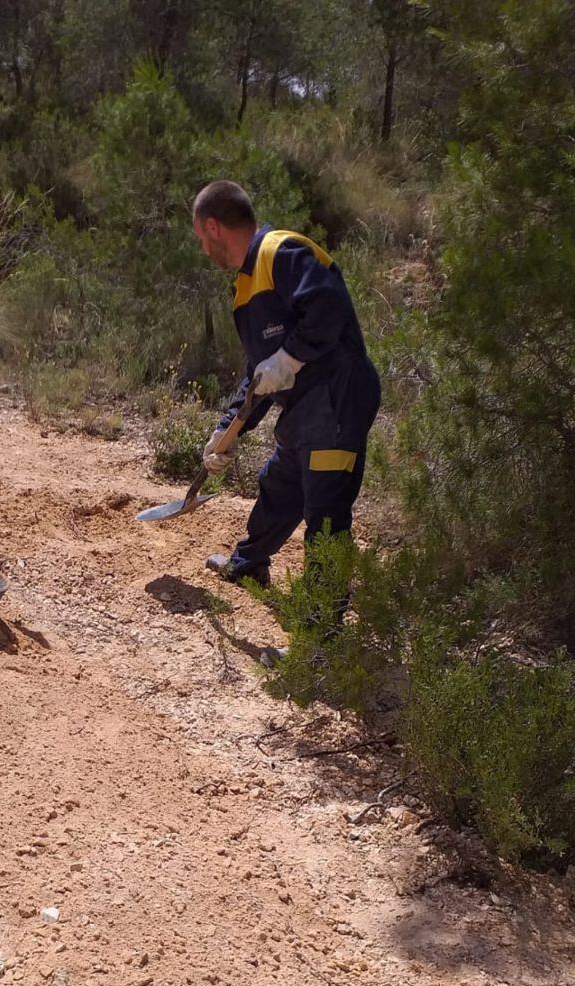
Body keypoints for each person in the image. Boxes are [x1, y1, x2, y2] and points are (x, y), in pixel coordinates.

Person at [192, 181, 380, 651]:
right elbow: (258, 376)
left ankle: (320, 642)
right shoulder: (244, 290)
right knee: (281, 484)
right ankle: (249, 562)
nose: (201, 247)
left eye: (200, 236)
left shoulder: (281, 251)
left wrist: (291, 356)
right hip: (303, 409)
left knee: (326, 515)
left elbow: (329, 305)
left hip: (338, 397)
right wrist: (225, 431)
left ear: (214, 227)